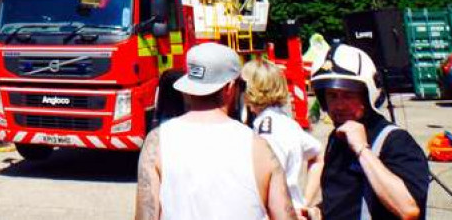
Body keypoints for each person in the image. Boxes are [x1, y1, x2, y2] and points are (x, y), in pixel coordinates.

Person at [135, 42, 296, 220]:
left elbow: (145, 215)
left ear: (188, 91)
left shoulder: (157, 142)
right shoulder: (259, 147)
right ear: (230, 88)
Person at [303, 44, 427, 220]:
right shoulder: (337, 139)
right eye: (332, 96)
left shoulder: (395, 141)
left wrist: (362, 150)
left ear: (367, 94)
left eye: (348, 95)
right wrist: (319, 212)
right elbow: (345, 201)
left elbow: (408, 209)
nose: (338, 106)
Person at [242, 59, 323, 211]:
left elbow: (267, 176)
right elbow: (317, 155)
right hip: (293, 207)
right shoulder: (287, 123)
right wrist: (305, 201)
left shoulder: (266, 127)